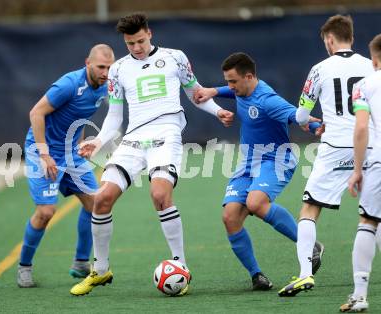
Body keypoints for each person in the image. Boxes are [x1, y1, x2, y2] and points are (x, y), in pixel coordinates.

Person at [70, 13, 233, 296]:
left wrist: (217, 110)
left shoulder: (175, 57)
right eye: (130, 43)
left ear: (150, 33)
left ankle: (181, 266)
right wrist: (98, 141)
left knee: (159, 195)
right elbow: (115, 116)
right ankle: (101, 269)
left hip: (166, 133)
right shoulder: (118, 69)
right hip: (133, 139)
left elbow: (196, 93)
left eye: (141, 41)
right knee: (102, 199)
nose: (136, 47)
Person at [193, 53, 323, 291]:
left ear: (249, 77)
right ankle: (257, 275)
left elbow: (296, 115)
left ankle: (310, 245)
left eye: (233, 82)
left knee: (255, 202)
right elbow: (232, 91)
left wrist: (316, 126)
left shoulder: (267, 100)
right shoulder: (243, 89)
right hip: (249, 162)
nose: (230, 87)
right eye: (227, 81)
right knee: (230, 217)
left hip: (276, 159)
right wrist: (214, 91)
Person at [278, 15, 376, 297]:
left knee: (309, 210)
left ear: (329, 40)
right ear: (352, 38)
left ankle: (305, 274)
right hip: (369, 145)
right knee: (374, 215)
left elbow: (300, 115)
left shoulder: (319, 69)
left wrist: (315, 123)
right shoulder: (371, 66)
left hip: (334, 148)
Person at [17, 44, 115, 288]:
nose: (105, 72)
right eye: (101, 67)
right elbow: (36, 113)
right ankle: (24, 267)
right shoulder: (69, 84)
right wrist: (44, 154)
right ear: (88, 63)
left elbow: (79, 116)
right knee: (45, 213)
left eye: (110, 68)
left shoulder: (105, 87)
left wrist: (80, 143)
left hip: (71, 154)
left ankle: (81, 263)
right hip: (44, 152)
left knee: (97, 204)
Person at [338, 33, 381, 313]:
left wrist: (356, 170)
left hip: (379, 160)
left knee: (368, 220)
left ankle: (360, 295)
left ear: (375, 59)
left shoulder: (365, 85)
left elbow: (362, 128)